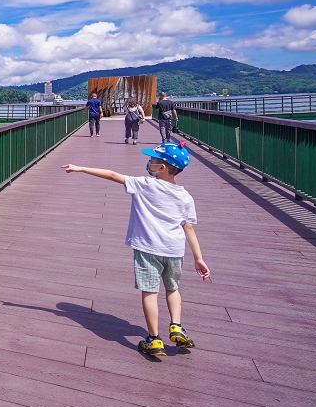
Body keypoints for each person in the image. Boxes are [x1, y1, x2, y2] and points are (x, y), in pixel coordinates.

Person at [61, 141, 210, 356]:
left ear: (163, 167)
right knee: (173, 288)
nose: (149, 162)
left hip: (148, 249)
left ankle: (154, 339)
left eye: (153, 160)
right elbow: (188, 228)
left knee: (150, 292)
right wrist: (199, 258)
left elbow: (112, 175)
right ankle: (176, 325)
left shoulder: (145, 184)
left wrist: (81, 168)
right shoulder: (186, 196)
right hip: (174, 250)